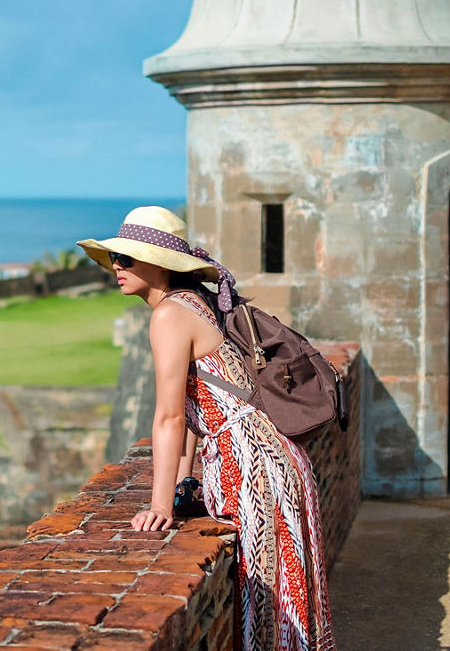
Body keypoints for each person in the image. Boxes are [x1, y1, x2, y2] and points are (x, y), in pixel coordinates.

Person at [78, 206, 335, 651]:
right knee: (283, 610)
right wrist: (182, 483)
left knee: (270, 612)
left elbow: (171, 416)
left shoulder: (169, 315)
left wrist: (159, 504)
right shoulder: (195, 301)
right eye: (115, 259)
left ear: (159, 264)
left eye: (128, 259)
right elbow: (199, 412)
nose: (117, 268)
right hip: (272, 461)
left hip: (253, 469)